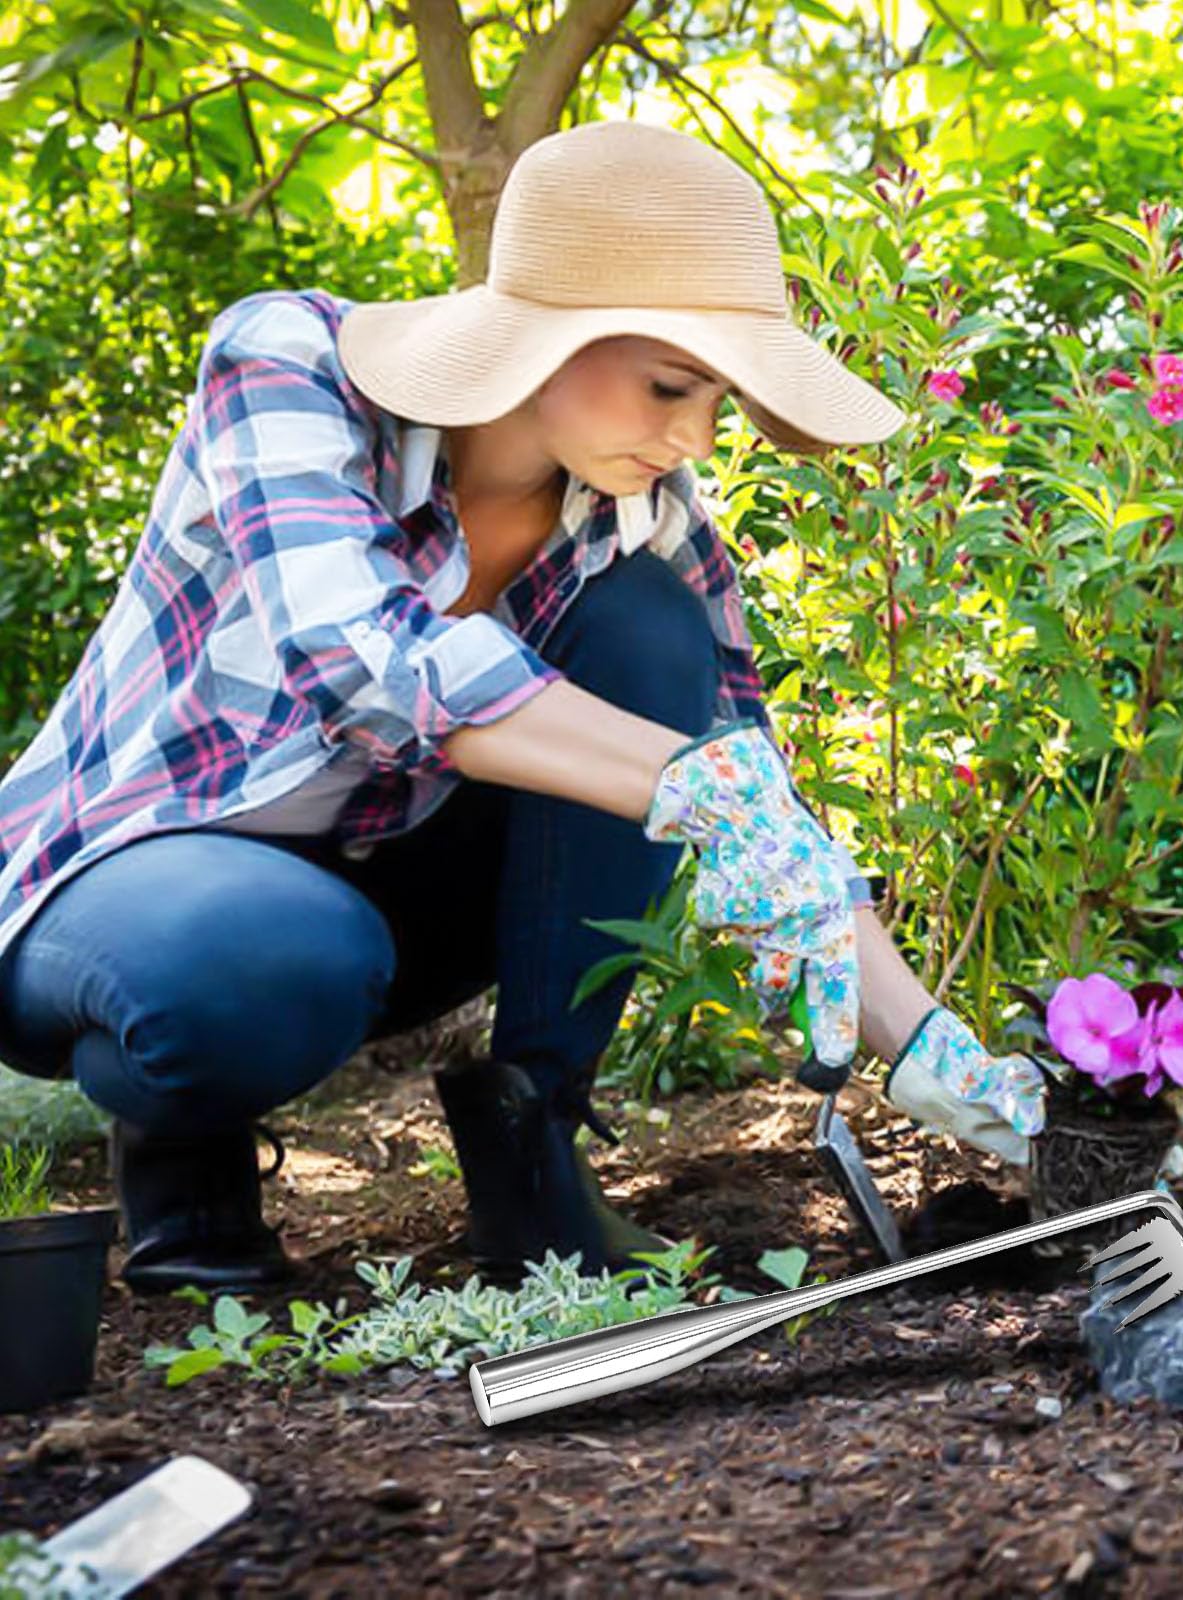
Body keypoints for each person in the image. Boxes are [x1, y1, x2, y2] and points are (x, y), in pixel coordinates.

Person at [0, 120, 1048, 1295]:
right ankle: (185, 1168)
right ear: (550, 341)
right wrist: (688, 783)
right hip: (142, 879)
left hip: (391, 886)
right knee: (269, 957)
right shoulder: (289, 365)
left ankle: (533, 1147)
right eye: (670, 386)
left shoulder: (637, 513)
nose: (696, 438)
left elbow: (751, 791)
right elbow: (362, 660)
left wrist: (924, 1047)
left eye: (718, 401)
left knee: (651, 628)